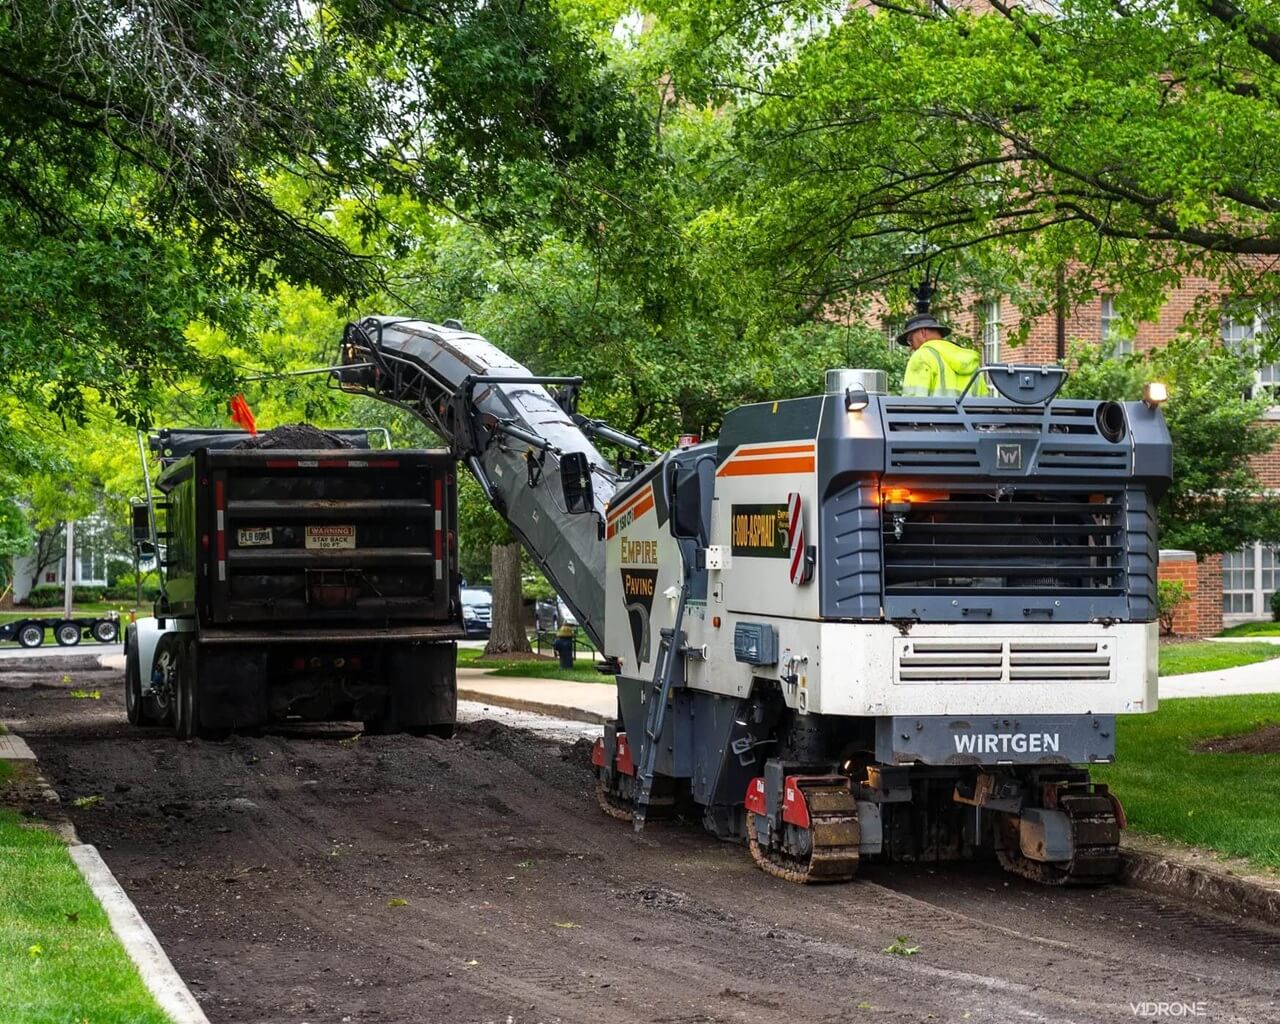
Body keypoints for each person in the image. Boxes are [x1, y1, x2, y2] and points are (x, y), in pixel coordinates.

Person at [897, 313, 988, 398]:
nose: (910, 347)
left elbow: (913, 403)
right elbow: (986, 406)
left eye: (910, 340)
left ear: (923, 333)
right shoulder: (971, 364)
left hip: (933, 415)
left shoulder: (922, 356)